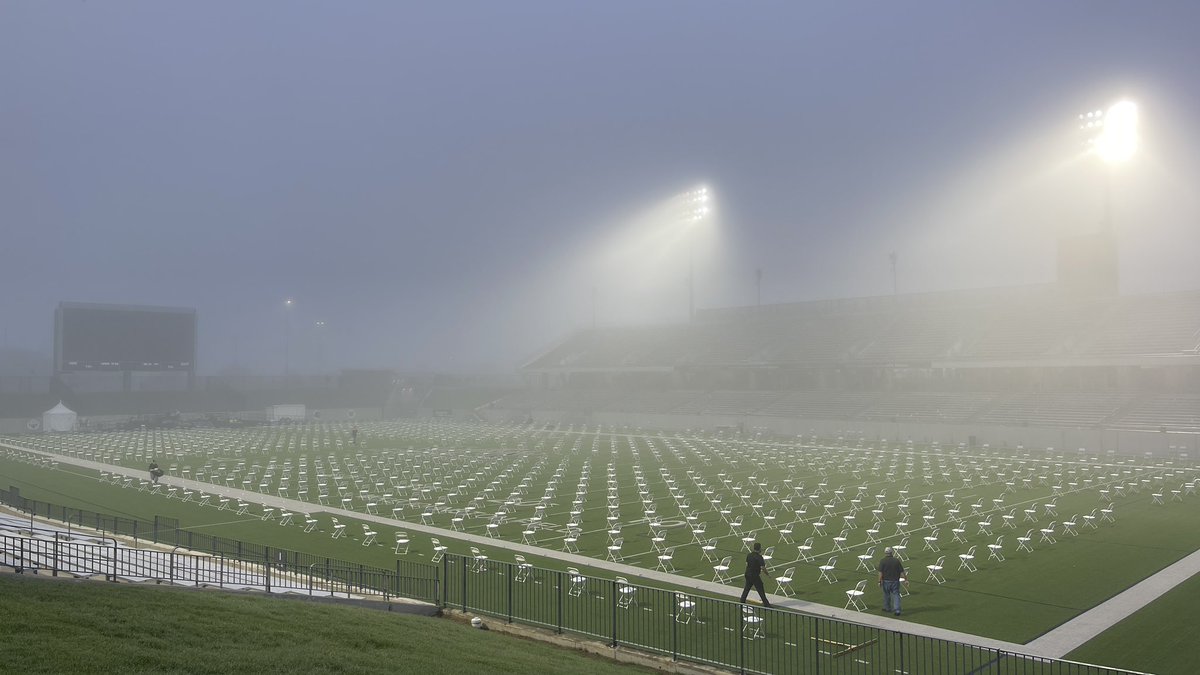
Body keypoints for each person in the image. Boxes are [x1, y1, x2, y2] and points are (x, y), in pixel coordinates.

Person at [739, 542, 772, 607]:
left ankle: (742, 601)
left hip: (748, 574)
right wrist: (768, 574)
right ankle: (766, 604)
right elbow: (763, 567)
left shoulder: (749, 555)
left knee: (747, 588)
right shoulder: (759, 557)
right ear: (759, 549)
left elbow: (747, 564)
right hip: (754, 575)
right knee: (760, 589)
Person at [878, 546, 905, 616]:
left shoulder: (882, 561)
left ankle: (887, 608)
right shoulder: (896, 560)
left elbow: (880, 572)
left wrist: (879, 581)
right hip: (895, 581)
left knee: (886, 594)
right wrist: (906, 579)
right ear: (891, 552)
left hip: (886, 581)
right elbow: (901, 571)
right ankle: (897, 610)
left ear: (885, 553)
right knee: (896, 595)